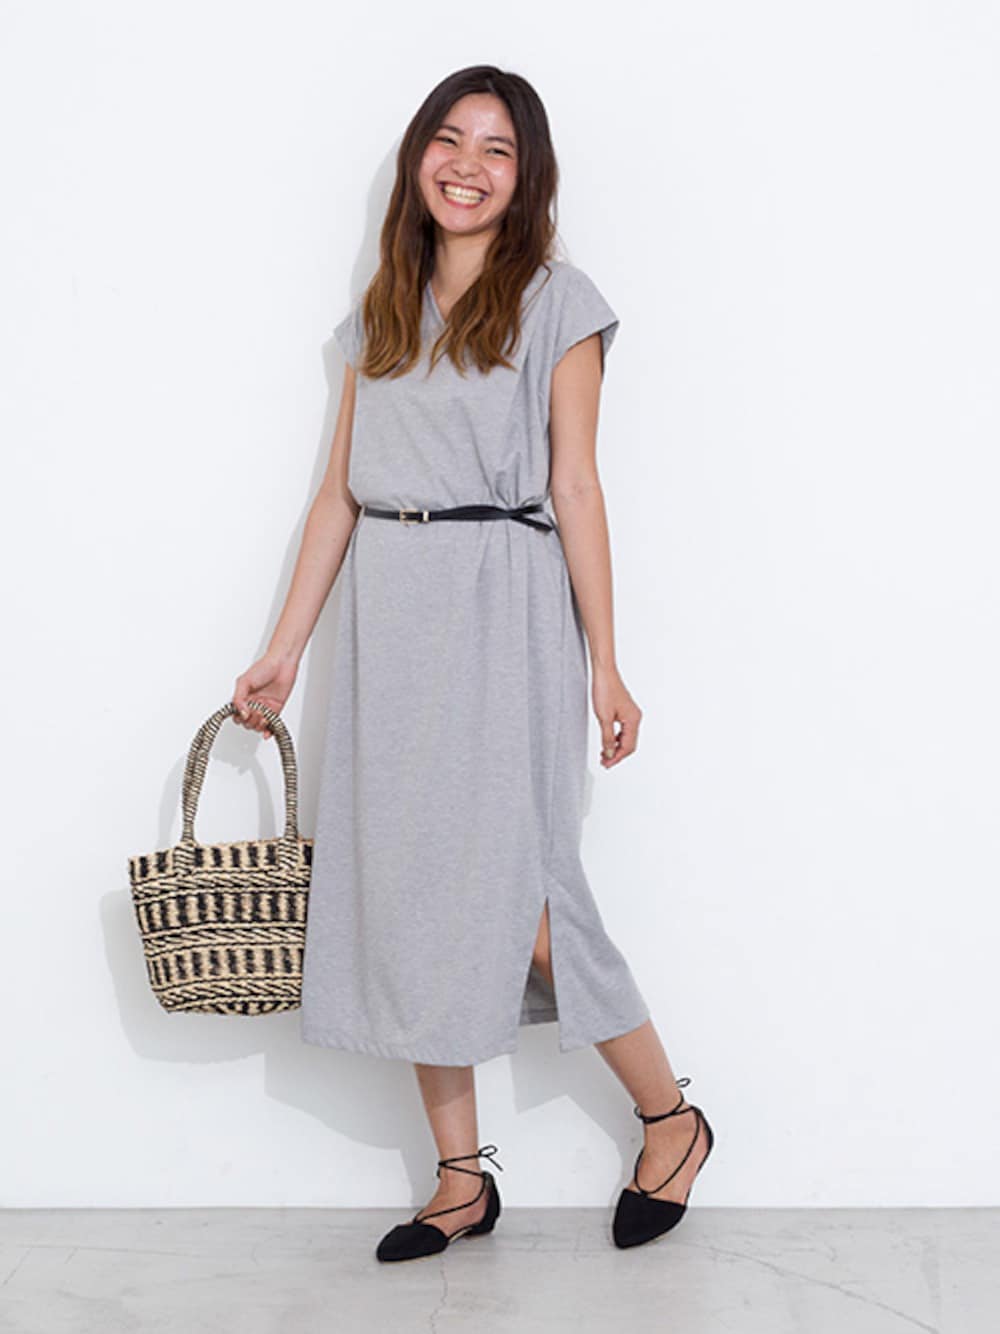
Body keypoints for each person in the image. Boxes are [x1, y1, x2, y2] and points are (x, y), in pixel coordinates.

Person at [232, 64, 715, 1261]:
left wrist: (607, 663)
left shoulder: (558, 301)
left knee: (531, 901)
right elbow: (338, 496)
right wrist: (282, 651)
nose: (467, 166)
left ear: (526, 176)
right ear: (418, 157)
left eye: (496, 149)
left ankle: (671, 1117)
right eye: (448, 140)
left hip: (505, 606)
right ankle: (460, 1179)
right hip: (391, 612)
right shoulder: (383, 307)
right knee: (410, 893)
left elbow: (576, 485)